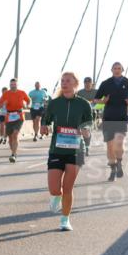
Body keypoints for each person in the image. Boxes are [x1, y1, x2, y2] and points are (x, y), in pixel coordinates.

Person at [41, 72, 93, 231]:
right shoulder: (54, 103)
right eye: (62, 81)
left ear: (75, 83)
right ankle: (56, 196)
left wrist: (86, 130)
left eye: (68, 81)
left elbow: (89, 123)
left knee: (68, 188)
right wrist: (44, 126)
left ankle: (65, 219)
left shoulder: (84, 104)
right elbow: (45, 119)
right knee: (54, 189)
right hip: (57, 150)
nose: (64, 83)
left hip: (76, 151)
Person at [95, 62, 128, 181]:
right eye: (115, 68)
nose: (117, 70)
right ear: (111, 70)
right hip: (108, 118)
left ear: (122, 70)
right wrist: (103, 101)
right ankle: (113, 169)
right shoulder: (105, 83)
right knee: (109, 146)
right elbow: (96, 99)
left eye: (119, 68)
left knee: (119, 143)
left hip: (122, 117)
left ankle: (119, 163)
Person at [0, 78, 30, 162]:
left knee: (15, 134)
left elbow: (28, 100)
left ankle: (13, 154)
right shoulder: (6, 94)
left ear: (17, 85)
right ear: (10, 85)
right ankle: (14, 152)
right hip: (9, 116)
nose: (13, 86)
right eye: (11, 84)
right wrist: (3, 104)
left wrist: (26, 105)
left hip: (19, 115)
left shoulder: (22, 92)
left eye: (14, 84)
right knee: (10, 137)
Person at [77, 77, 97, 156]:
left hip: (92, 113)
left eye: (89, 83)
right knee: (80, 131)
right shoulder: (80, 92)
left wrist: (95, 102)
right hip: (81, 114)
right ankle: (81, 146)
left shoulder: (96, 92)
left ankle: (87, 147)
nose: (87, 84)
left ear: (92, 84)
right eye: (86, 83)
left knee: (86, 130)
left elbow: (102, 101)